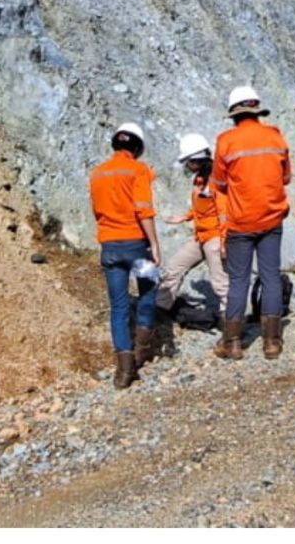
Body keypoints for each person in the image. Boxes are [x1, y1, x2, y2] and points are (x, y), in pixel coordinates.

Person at [211, 85, 291, 360]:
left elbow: (219, 183)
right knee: (270, 277)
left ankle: (232, 342)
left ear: (234, 114)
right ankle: (272, 342)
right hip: (271, 218)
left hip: (240, 223)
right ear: (257, 110)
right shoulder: (275, 137)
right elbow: (286, 177)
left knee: (238, 281)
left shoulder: (226, 141)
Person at [88, 122, 162, 389]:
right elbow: (144, 210)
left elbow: (97, 211)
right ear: (137, 147)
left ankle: (123, 371)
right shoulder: (138, 170)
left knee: (118, 307)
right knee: (150, 287)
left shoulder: (97, 174)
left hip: (110, 248)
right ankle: (143, 348)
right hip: (136, 246)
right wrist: (154, 243)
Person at [155, 133, 229, 322]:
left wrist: (223, 242)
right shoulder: (199, 179)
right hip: (201, 237)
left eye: (188, 162)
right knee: (174, 268)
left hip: (215, 238)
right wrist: (185, 217)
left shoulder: (216, 179)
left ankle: (230, 324)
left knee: (221, 283)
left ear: (197, 160)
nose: (187, 166)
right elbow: (204, 207)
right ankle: (160, 310)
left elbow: (223, 213)